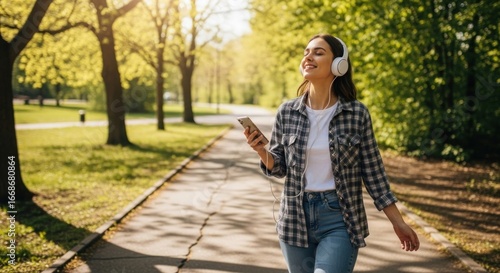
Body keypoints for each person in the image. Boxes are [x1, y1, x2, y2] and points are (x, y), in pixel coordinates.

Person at [242, 34, 420, 273]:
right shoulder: (287, 112)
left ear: (339, 64)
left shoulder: (356, 113)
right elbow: (279, 168)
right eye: (306, 52)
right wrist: (261, 150)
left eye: (318, 52)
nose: (308, 57)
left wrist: (398, 223)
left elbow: (374, 175)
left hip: (339, 218)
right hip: (295, 217)